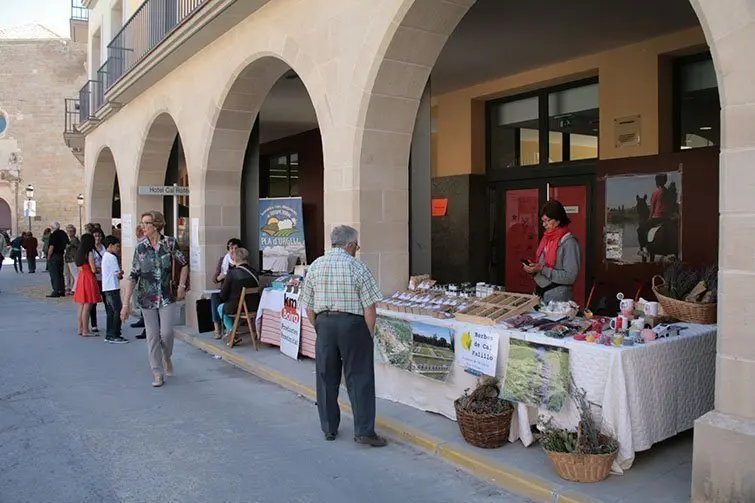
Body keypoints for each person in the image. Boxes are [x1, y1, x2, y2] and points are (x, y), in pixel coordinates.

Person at [299, 225, 386, 447]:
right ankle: (364, 430)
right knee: (360, 378)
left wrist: (320, 326)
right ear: (349, 245)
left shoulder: (316, 266)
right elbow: (369, 306)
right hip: (353, 324)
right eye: (356, 245)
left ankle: (329, 428)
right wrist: (368, 334)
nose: (357, 249)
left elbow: (307, 306)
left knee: (326, 376)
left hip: (325, 323)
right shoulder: (357, 266)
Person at [121, 211, 188, 388]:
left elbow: (184, 264)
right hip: (146, 296)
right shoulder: (140, 247)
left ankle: (166, 357)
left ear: (156, 225)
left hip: (167, 294)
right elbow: (133, 275)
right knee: (152, 335)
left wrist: (181, 286)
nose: (142, 227)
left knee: (166, 333)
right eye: (142, 223)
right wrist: (125, 304)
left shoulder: (170, 243)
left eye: (146, 223)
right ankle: (157, 372)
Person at [523, 200, 581, 303]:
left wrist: (542, 268)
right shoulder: (546, 239)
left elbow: (570, 277)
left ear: (558, 220)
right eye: (543, 221)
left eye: (547, 220)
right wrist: (532, 269)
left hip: (558, 302)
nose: (544, 224)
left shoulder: (569, 243)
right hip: (540, 296)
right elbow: (542, 271)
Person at [216, 247, 260, 342]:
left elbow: (223, 295)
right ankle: (232, 331)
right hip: (254, 306)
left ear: (235, 259)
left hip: (238, 307)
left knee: (220, 308)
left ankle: (232, 333)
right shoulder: (254, 272)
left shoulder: (232, 273)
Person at [211, 238, 243, 339]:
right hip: (225, 291)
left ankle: (230, 330)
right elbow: (214, 279)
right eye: (231, 248)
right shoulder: (223, 260)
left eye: (235, 248)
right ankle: (217, 328)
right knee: (214, 298)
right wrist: (220, 277)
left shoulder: (242, 261)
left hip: (236, 294)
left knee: (220, 300)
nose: (233, 250)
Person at [73, 233, 101, 337]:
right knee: (88, 305)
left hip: (82, 277)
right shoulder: (89, 253)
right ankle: (86, 330)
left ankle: (80, 328)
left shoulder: (79, 253)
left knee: (81, 305)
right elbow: (93, 269)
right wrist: (99, 269)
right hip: (89, 278)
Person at [101, 235, 127, 344]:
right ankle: (115, 333)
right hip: (113, 287)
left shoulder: (105, 256)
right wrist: (121, 273)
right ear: (110, 246)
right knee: (117, 311)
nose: (118, 249)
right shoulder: (112, 257)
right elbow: (118, 274)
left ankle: (109, 333)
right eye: (117, 246)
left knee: (110, 312)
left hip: (107, 287)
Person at [638, 173, 672, 254]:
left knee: (640, 229)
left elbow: (652, 209)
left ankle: (643, 248)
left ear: (657, 182)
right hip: (667, 218)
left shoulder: (655, 194)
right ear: (665, 181)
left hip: (657, 218)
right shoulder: (668, 193)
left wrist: (650, 218)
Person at [88, 228, 106, 332]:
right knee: (93, 302)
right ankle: (94, 324)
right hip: (95, 278)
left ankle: (111, 322)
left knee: (107, 301)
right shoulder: (91, 250)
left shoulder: (104, 247)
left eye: (99, 236)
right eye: (95, 236)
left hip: (105, 278)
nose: (97, 238)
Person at [47, 222, 70, 298]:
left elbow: (51, 247)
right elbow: (67, 244)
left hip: (54, 255)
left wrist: (48, 256)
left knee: (54, 274)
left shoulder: (54, 235)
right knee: (60, 273)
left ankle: (56, 290)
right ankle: (62, 290)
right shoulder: (63, 233)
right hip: (61, 255)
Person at [64, 225, 80, 295]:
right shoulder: (70, 239)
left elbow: (72, 248)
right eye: (69, 231)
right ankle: (71, 287)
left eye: (72, 231)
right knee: (70, 274)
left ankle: (74, 289)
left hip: (72, 259)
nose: (70, 233)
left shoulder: (74, 240)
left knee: (75, 275)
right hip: (69, 259)